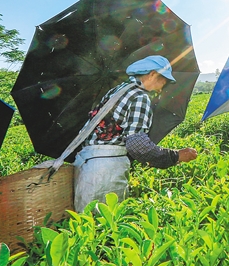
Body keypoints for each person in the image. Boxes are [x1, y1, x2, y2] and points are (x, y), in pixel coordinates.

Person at [73, 55, 198, 211]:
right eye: (163, 82)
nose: (161, 89)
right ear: (153, 74)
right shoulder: (140, 97)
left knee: (84, 225)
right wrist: (176, 156)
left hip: (86, 163)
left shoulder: (118, 90)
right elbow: (138, 146)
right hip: (106, 170)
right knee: (106, 225)